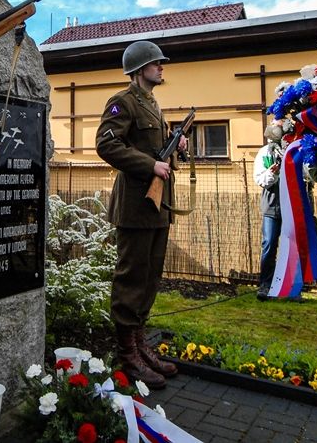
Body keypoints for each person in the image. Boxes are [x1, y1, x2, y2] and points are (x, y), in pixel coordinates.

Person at [95, 40, 188, 390]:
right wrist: (151, 164)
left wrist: (176, 146)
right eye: (156, 63)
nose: (162, 67)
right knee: (132, 277)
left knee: (150, 277)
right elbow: (106, 144)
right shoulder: (123, 102)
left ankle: (140, 345)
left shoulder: (153, 105)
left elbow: (156, 151)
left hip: (157, 207)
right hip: (136, 205)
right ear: (139, 69)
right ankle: (126, 354)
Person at [253, 120, 283, 301]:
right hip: (271, 205)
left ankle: (292, 286)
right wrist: (273, 173)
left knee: (293, 246)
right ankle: (265, 284)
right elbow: (260, 179)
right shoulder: (265, 152)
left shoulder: (293, 149)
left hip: (292, 206)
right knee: (269, 244)